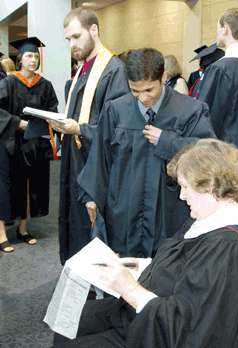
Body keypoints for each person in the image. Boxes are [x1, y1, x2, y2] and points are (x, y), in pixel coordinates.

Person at [53, 138, 238, 347]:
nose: (182, 196)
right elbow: (183, 264)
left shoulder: (228, 246)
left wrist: (129, 289)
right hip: (147, 308)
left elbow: (190, 330)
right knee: (71, 319)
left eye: (185, 187)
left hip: (157, 330)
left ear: (210, 187)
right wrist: (136, 264)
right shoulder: (211, 216)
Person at [77, 48, 216, 259]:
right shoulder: (116, 110)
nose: (142, 98)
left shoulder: (190, 110)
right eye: (135, 90)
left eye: (149, 90)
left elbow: (207, 154)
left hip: (169, 209)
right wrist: (92, 195)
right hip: (124, 206)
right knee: (125, 265)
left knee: (166, 266)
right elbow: (100, 156)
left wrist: (166, 140)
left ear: (164, 77)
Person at [47, 7, 130, 265]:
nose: (72, 44)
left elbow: (118, 130)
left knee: (91, 231)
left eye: (76, 36)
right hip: (75, 160)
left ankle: (94, 292)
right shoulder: (83, 69)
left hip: (95, 169)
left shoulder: (114, 71)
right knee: (73, 222)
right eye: (68, 40)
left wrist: (79, 129)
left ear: (94, 30)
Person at [0, 37, 59, 252]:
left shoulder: (45, 85)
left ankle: (23, 229)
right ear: (20, 59)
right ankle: (1, 234)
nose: (33, 60)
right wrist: (18, 123)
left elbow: (52, 111)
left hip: (34, 144)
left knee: (29, 187)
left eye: (36, 56)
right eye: (29, 56)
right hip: (9, 144)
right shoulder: (8, 83)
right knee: (6, 187)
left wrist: (46, 122)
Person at [196, 8, 238, 160]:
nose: (217, 33)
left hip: (229, 156)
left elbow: (206, 118)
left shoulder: (221, 69)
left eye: (218, 28)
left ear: (225, 29)